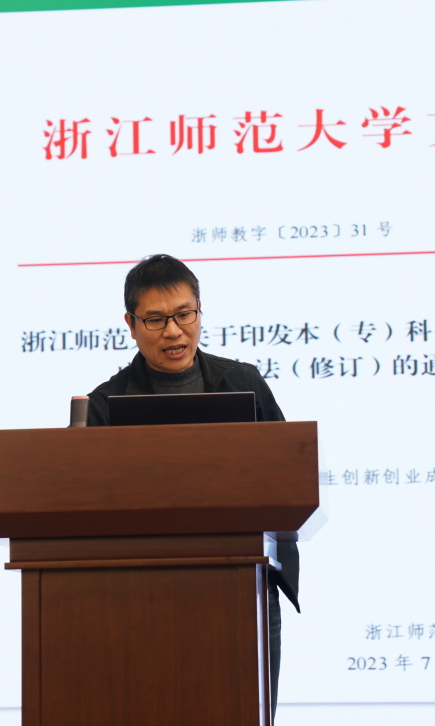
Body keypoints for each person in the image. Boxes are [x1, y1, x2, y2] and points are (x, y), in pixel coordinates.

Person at [86, 253, 298, 712]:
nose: (173, 331)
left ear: (200, 311)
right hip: (141, 598)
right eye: (156, 319)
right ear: (130, 324)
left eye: (184, 314)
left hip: (245, 589)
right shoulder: (105, 404)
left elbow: (288, 476)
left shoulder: (243, 382)